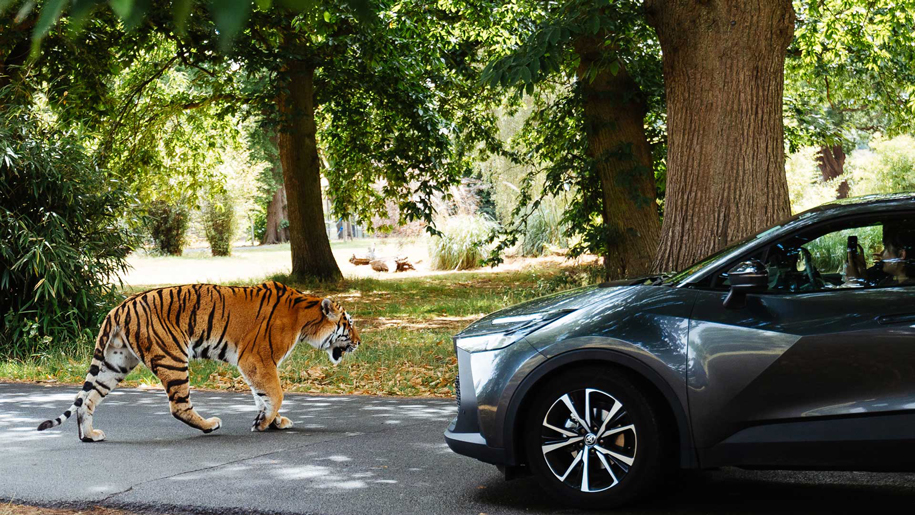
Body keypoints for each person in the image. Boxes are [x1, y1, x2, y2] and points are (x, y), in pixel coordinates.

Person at [845, 222, 915, 287]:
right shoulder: (892, 281)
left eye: (886, 248)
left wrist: (854, 283)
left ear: (901, 255)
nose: (881, 254)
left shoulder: (905, 289)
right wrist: (863, 275)